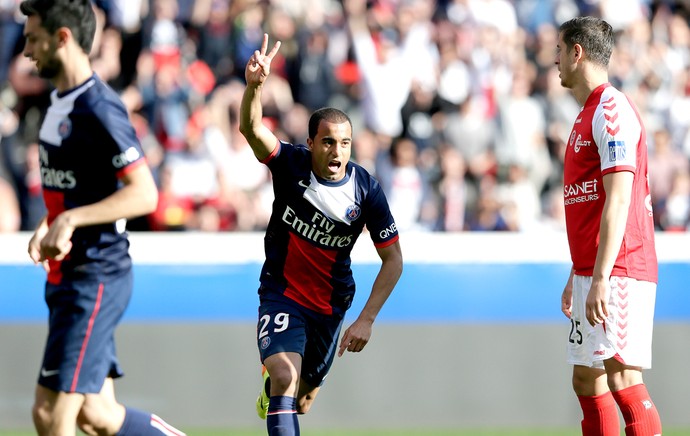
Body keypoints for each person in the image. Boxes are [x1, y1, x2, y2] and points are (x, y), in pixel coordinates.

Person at [20, 1, 185, 435]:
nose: (26, 51)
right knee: (98, 415)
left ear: (63, 38)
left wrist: (71, 221)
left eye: (33, 39)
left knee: (50, 416)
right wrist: (49, 225)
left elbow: (144, 193)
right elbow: (75, 192)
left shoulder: (99, 107)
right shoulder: (56, 105)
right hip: (68, 277)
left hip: (95, 277)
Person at [239, 33, 403, 435]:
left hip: (330, 304)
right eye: (328, 142)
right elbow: (251, 128)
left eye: (344, 143)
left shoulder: (366, 190)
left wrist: (366, 318)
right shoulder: (290, 165)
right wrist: (254, 88)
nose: (336, 152)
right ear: (311, 143)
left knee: (303, 400)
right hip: (282, 290)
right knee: (284, 377)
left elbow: (394, 260)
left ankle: (276, 395)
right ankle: (274, 382)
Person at [556, 16, 662, 436]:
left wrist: (600, 277)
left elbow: (619, 196)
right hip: (593, 270)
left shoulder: (612, 109)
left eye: (560, 51)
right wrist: (576, 274)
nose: (556, 61)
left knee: (623, 378)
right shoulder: (587, 113)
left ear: (577, 53)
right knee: (586, 378)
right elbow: (592, 204)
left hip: (619, 269)